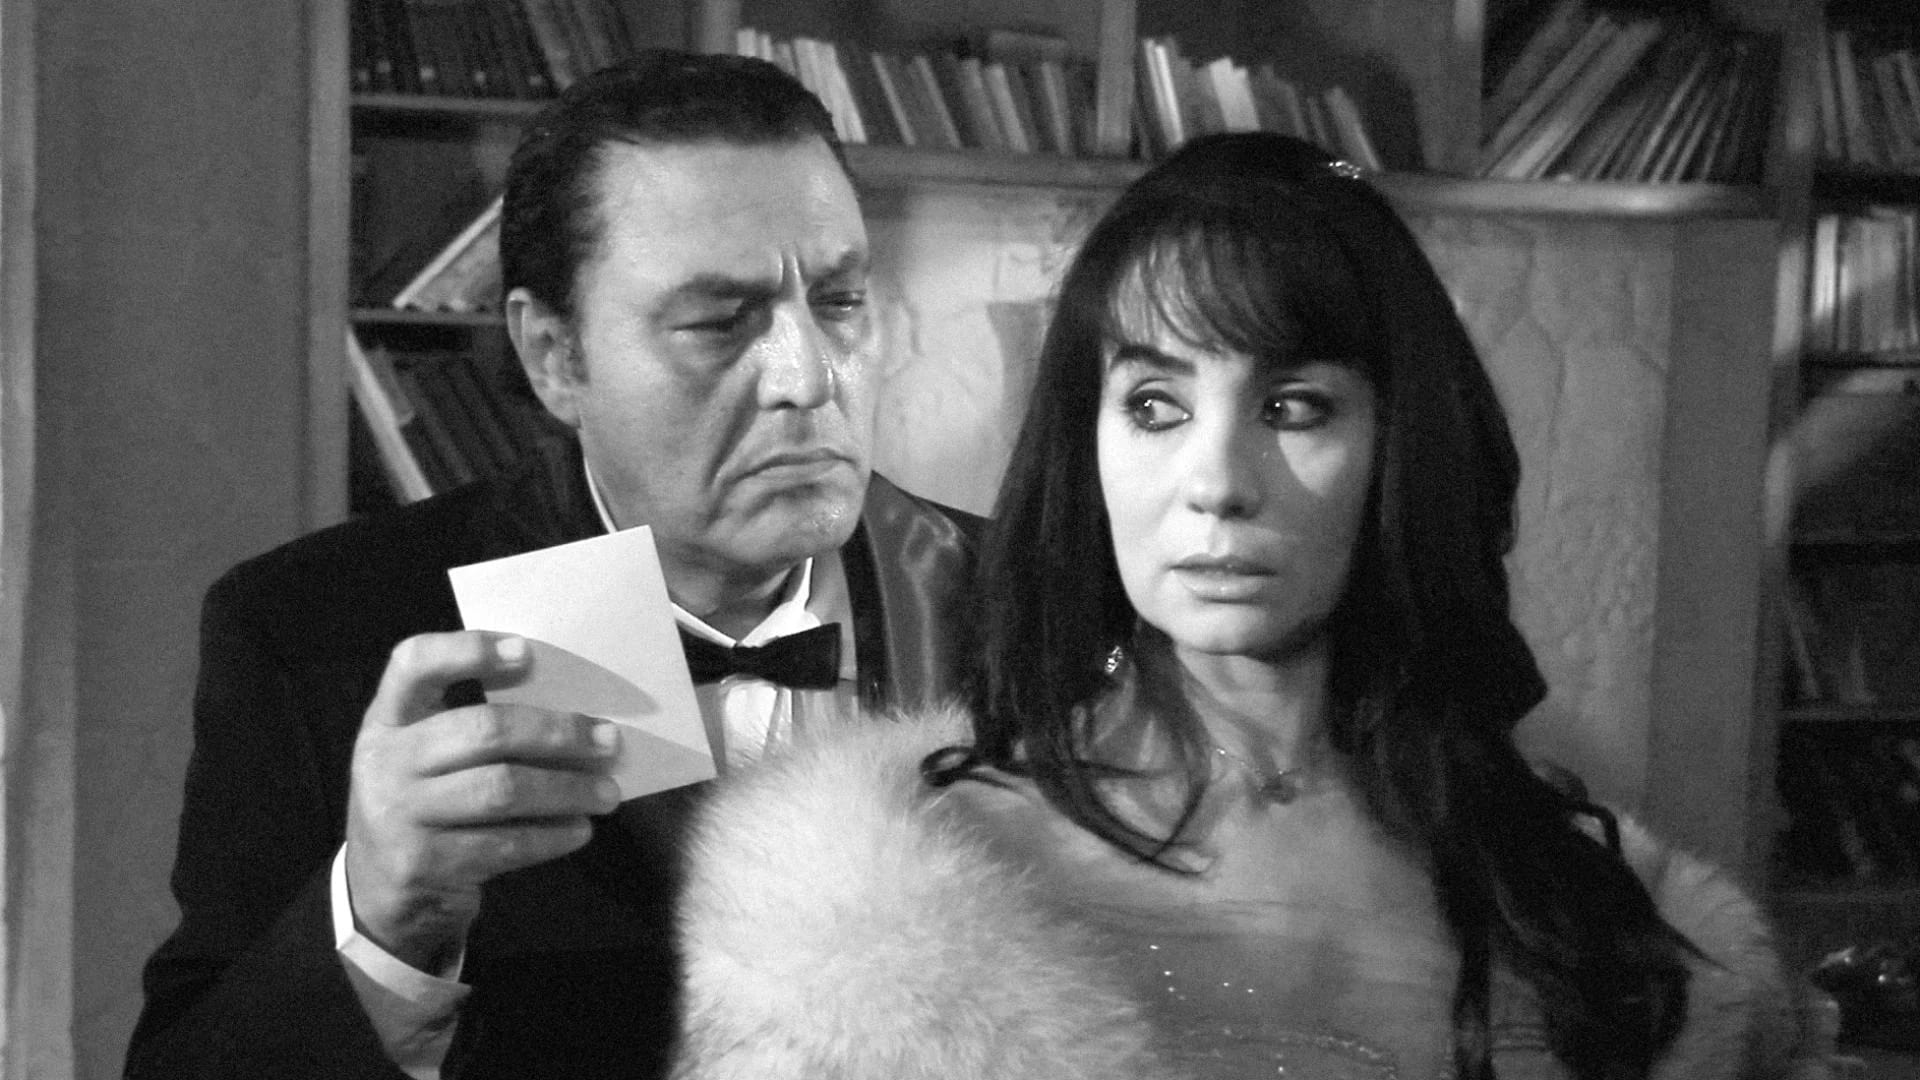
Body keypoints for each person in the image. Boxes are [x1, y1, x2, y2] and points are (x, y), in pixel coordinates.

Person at [671, 133, 1824, 1079]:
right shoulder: (884, 895)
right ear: (1088, 449)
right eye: (1156, 406)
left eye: (1292, 407)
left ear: (1397, 448)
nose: (1216, 483)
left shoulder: (1583, 893)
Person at [125, 51, 979, 1080]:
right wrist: (381, 924)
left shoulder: (1028, 598)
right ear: (554, 357)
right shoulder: (314, 634)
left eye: (838, 301)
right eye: (719, 322)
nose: (807, 378)